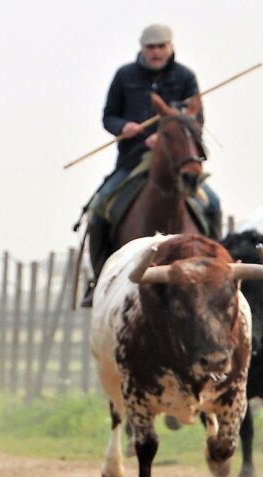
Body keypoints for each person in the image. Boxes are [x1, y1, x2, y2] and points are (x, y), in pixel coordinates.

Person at [81, 23, 221, 305]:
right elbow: (108, 116)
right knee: (98, 210)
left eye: (161, 46)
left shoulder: (185, 77)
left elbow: (196, 121)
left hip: (175, 161)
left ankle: (218, 272)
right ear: (142, 49)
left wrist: (169, 135)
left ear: (170, 47)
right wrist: (125, 126)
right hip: (133, 159)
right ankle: (100, 279)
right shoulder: (124, 76)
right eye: (150, 47)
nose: (156, 52)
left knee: (213, 204)